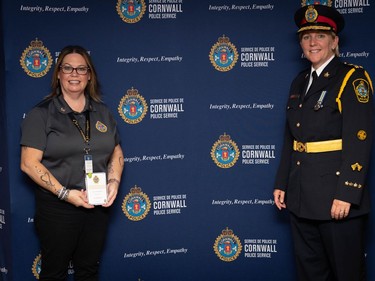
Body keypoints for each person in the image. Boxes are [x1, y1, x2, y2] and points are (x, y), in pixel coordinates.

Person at [273, 4, 373, 281]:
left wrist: (347, 193)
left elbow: (360, 138)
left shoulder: (352, 78)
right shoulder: (299, 82)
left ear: (334, 41)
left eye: (320, 35)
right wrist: (282, 182)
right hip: (301, 196)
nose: (312, 42)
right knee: (310, 273)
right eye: (306, 37)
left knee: (347, 273)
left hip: (335, 199)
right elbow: (291, 137)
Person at [20, 45, 124, 281]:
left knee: (88, 271)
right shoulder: (42, 114)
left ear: (89, 76)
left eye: (80, 69)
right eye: (67, 68)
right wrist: (66, 194)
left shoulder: (103, 112)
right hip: (58, 209)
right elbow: (28, 163)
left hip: (97, 206)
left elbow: (116, 150)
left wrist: (114, 182)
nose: (74, 74)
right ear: (58, 74)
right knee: (54, 274)